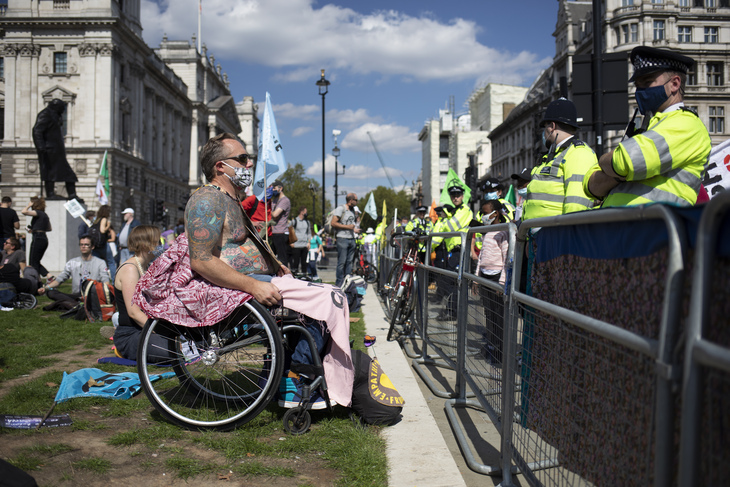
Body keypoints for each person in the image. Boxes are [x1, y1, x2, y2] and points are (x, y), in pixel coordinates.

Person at [178, 132, 353, 408]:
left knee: (327, 298)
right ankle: (294, 381)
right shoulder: (206, 200)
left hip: (261, 279)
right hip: (242, 289)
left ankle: (290, 379)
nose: (249, 165)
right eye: (243, 159)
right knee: (330, 300)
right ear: (220, 166)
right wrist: (253, 285)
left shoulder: (231, 199)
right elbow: (201, 260)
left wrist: (275, 264)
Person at [584, 46, 710, 207]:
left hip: (653, 227)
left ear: (675, 84)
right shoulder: (647, 127)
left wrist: (605, 162)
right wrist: (621, 172)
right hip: (624, 226)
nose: (639, 91)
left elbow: (626, 162)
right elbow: (590, 185)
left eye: (647, 82)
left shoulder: (687, 124)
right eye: (637, 85)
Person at [522, 98, 598, 221]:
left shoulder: (578, 153)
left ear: (552, 126)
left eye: (545, 127)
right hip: (541, 234)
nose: (544, 133)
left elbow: (576, 204)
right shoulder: (552, 156)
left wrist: (567, 235)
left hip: (557, 234)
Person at [112, 225, 172, 363]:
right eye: (158, 241)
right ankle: (121, 348)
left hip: (144, 329)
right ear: (147, 244)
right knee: (174, 352)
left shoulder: (145, 267)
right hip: (131, 333)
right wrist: (161, 331)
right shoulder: (130, 269)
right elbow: (134, 312)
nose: (160, 245)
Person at [430, 183, 475, 320]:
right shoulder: (454, 212)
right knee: (452, 281)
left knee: (451, 281)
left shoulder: (465, 210)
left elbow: (451, 227)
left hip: (461, 250)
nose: (455, 198)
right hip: (453, 252)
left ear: (462, 196)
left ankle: (453, 311)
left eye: (458, 195)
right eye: (453, 196)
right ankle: (452, 311)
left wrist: (444, 221)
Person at [476, 199, 509, 365]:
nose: (483, 216)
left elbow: (506, 259)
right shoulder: (487, 232)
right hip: (485, 276)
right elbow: (481, 256)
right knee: (489, 313)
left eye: (485, 212)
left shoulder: (502, 232)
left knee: (499, 315)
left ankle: (501, 351)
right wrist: (476, 278)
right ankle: (491, 346)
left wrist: (502, 282)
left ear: (495, 213)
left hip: (497, 278)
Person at [38, 236, 110, 306]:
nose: (83, 246)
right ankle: (77, 304)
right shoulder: (72, 262)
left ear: (92, 247)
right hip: (76, 295)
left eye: (86, 245)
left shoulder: (100, 262)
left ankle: (73, 305)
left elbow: (105, 280)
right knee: (51, 292)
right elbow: (59, 280)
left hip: (92, 294)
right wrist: (45, 288)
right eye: (81, 244)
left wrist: (106, 293)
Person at [31, 99, 80, 201]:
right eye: (62, 108)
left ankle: (72, 194)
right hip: (49, 150)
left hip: (57, 150)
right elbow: (37, 130)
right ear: (56, 106)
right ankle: (51, 194)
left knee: (68, 174)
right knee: (50, 173)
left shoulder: (55, 115)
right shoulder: (45, 114)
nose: (63, 111)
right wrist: (40, 146)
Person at [331, 193, 360, 287]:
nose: (357, 202)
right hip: (342, 239)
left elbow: (351, 225)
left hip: (351, 239)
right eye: (356, 200)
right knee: (342, 262)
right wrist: (348, 227)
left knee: (350, 262)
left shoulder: (352, 211)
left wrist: (354, 230)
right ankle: (339, 283)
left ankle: (348, 282)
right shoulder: (341, 209)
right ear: (350, 200)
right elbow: (333, 223)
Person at [21, 198, 52, 279]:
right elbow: (49, 228)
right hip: (43, 237)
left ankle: (46, 276)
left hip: (37, 238)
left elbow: (24, 212)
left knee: (32, 262)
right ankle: (43, 277)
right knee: (35, 261)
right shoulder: (44, 215)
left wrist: (28, 206)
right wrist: (35, 228)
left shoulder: (38, 212)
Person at [269, 179, 291, 266]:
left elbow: (275, 214)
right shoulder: (274, 200)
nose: (273, 190)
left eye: (274, 188)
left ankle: (285, 277)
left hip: (281, 232)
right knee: (272, 257)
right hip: (273, 232)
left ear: (280, 188)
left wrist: (267, 210)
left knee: (282, 258)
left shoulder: (284, 200)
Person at [289, 206, 311, 275]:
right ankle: (295, 276)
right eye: (305, 212)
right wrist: (291, 242)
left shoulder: (307, 222)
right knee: (296, 263)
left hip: (304, 245)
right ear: (302, 212)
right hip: (296, 245)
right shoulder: (294, 221)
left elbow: (309, 233)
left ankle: (304, 276)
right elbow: (289, 231)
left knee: (304, 263)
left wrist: (309, 242)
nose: (306, 213)